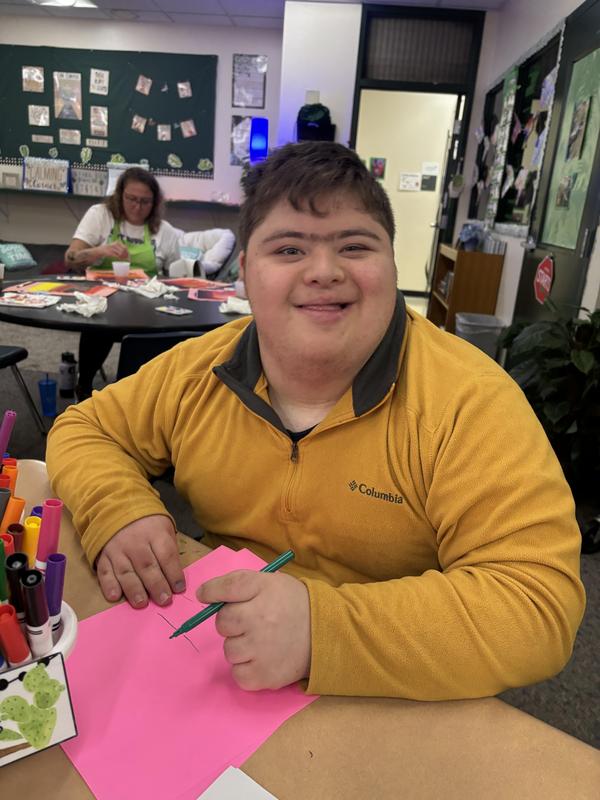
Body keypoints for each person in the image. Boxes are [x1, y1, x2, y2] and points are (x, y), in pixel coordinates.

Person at [47, 142, 585, 700]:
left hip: (389, 696)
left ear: (393, 265)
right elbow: (84, 429)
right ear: (245, 275)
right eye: (287, 250)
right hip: (208, 666)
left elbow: (538, 605)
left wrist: (322, 630)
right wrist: (117, 508)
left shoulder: (469, 401)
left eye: (355, 245)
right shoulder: (199, 369)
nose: (324, 272)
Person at [64, 167, 181, 399]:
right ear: (119, 195)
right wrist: (100, 251)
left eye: (146, 202)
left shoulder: (164, 231)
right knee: (99, 326)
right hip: (102, 303)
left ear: (155, 203)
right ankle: (84, 386)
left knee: (167, 335)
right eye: (132, 199)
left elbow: (175, 276)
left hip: (145, 307)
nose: (138, 207)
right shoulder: (101, 215)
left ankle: (144, 394)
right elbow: (70, 258)